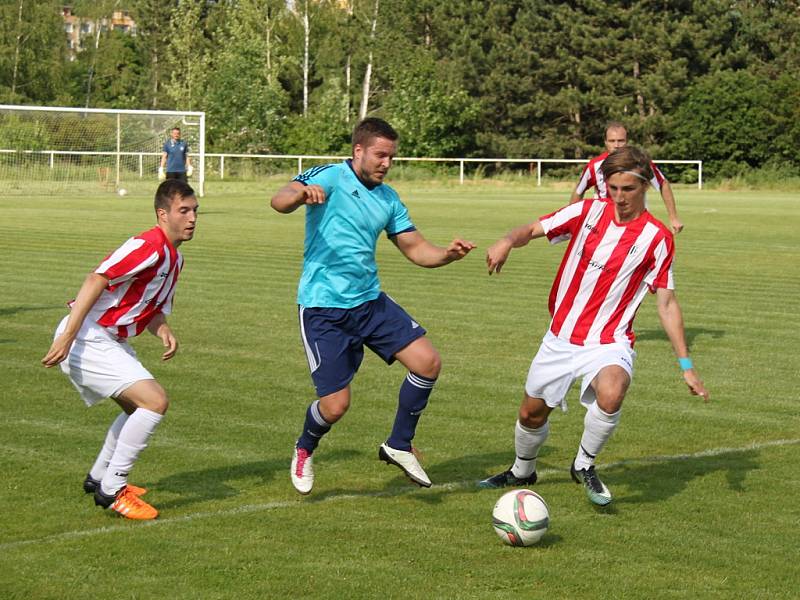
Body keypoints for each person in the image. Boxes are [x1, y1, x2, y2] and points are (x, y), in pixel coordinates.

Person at [480, 146, 709, 507]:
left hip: (610, 340)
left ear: (646, 186)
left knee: (613, 388)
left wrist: (686, 365)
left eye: (628, 190)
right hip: (560, 337)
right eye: (613, 188)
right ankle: (523, 470)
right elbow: (532, 228)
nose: (619, 197)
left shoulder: (657, 238)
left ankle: (584, 464)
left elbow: (666, 303)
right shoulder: (586, 211)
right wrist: (507, 240)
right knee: (531, 413)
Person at [271, 117, 476, 495]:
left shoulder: (389, 199)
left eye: (392, 157)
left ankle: (399, 444)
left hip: (370, 302)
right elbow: (279, 200)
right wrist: (301, 194)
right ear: (358, 151)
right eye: (380, 155)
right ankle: (304, 448)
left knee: (428, 362)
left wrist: (448, 255)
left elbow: (416, 249)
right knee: (334, 407)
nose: (386, 163)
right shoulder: (330, 177)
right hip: (324, 309)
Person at [41, 179, 199, 520]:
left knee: (135, 408)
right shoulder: (149, 244)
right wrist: (69, 334)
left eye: (195, 211)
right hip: (87, 336)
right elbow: (97, 278)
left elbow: (149, 307)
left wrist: (163, 329)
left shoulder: (175, 259)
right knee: (155, 401)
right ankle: (113, 488)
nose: (192, 218)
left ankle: (98, 477)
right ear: (162, 214)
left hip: (108, 340)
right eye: (183, 211)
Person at [570, 122, 684, 234]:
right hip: (603, 225)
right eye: (612, 141)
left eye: (621, 141)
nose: (616, 145)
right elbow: (579, 190)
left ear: (627, 141)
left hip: (636, 224)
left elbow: (663, 184)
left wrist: (673, 217)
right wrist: (571, 220)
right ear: (605, 142)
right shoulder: (594, 166)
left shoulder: (641, 163)